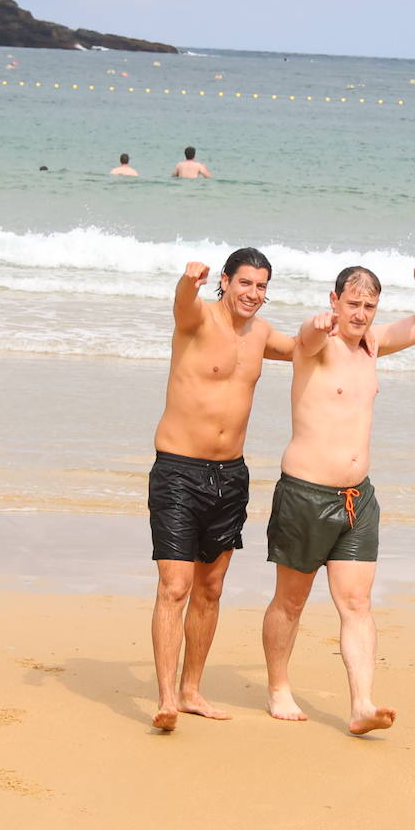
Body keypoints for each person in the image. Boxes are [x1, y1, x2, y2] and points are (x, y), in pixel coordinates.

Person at [261, 263, 415, 736]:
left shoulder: (373, 344)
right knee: (291, 601)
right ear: (334, 300)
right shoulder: (314, 347)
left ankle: (362, 703)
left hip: (357, 499)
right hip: (304, 495)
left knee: (357, 603)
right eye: (352, 304)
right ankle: (278, 687)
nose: (360, 314)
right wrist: (316, 325)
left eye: (369, 306)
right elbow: (306, 336)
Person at [148, 248, 296, 731]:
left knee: (210, 589)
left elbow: (307, 350)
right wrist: (186, 281)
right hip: (177, 472)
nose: (252, 294)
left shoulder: (262, 335)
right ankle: (167, 698)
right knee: (175, 586)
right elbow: (181, 305)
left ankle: (192, 690)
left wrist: (338, 322)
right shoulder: (197, 320)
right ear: (226, 282)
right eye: (244, 283)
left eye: (261, 286)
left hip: (229, 476)